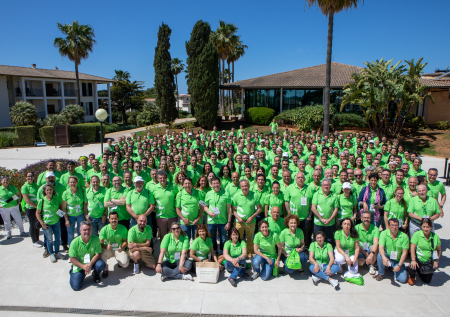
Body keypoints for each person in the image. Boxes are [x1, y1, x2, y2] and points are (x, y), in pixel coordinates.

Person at [68, 221, 105, 291]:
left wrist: (89, 265)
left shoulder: (96, 239)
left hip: (91, 263)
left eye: (89, 229)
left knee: (101, 264)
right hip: (80, 265)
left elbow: (98, 254)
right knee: (75, 287)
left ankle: (96, 274)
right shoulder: (74, 242)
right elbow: (72, 259)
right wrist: (83, 267)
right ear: (80, 231)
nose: (87, 231)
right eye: (84, 230)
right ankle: (72, 271)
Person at [232, 179, 262, 257]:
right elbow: (233, 210)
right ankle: (240, 253)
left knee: (250, 239)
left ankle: (249, 253)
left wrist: (252, 217)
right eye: (242, 186)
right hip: (239, 222)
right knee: (238, 239)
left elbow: (259, 209)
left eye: (246, 186)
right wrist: (238, 217)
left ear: (249, 186)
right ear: (240, 187)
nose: (244, 187)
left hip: (250, 222)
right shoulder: (236, 196)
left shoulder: (254, 195)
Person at [408, 218, 441, 285]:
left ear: (431, 227)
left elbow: (439, 250)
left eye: (427, 227)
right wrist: (413, 260)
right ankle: (412, 276)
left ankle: (420, 271)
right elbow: (412, 248)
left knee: (427, 280)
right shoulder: (417, 235)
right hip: (418, 259)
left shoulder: (435, 237)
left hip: (428, 261)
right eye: (424, 226)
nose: (425, 229)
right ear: (421, 226)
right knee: (412, 267)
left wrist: (436, 261)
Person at [36, 184, 64, 262]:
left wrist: (59, 216)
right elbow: (37, 213)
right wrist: (41, 223)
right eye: (47, 190)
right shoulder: (42, 201)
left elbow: (60, 208)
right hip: (46, 224)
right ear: (45, 191)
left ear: (53, 190)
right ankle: (51, 254)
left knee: (58, 239)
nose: (49, 191)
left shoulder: (56, 198)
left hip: (56, 222)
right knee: (49, 240)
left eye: (50, 189)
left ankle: (57, 252)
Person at [203, 177, 232, 254]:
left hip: (223, 221)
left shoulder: (226, 193)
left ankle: (223, 254)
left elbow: (229, 209)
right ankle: (214, 253)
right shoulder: (208, 194)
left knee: (223, 239)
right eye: (214, 183)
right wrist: (209, 213)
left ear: (220, 183)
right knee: (212, 239)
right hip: (211, 221)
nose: (216, 185)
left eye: (217, 183)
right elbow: (205, 206)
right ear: (211, 184)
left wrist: (229, 222)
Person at [376, 218, 409, 283]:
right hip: (387, 257)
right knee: (380, 255)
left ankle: (398, 268)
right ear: (388, 226)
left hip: (397, 260)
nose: (394, 227)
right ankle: (381, 273)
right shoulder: (383, 233)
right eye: (392, 225)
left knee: (403, 280)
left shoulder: (404, 236)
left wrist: (399, 265)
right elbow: (381, 248)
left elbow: (404, 253)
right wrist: (384, 257)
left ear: (399, 226)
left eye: (396, 225)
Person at [99, 211, 129, 278]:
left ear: (118, 219)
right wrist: (106, 246)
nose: (113, 220)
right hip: (108, 249)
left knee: (125, 263)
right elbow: (100, 242)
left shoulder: (123, 228)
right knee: (101, 255)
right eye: (112, 219)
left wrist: (122, 247)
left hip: (119, 249)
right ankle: (105, 269)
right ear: (109, 219)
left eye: (115, 218)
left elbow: (126, 242)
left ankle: (119, 262)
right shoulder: (104, 229)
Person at [152, 170, 179, 240]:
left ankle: (173, 250)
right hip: (160, 216)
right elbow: (152, 201)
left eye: (164, 178)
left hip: (173, 216)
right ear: (157, 179)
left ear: (167, 177)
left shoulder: (174, 186)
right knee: (163, 237)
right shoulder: (154, 188)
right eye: (160, 178)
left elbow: (178, 197)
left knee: (174, 236)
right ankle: (163, 251)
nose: (162, 179)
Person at [62, 176, 88, 248]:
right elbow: (64, 208)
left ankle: (80, 248)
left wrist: (85, 214)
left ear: (77, 183)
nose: (72, 183)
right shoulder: (65, 193)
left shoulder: (82, 190)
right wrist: (66, 219)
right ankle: (71, 250)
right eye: (71, 182)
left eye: (74, 182)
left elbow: (85, 204)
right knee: (70, 234)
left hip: (81, 215)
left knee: (81, 233)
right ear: (68, 183)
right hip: (70, 216)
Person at [311, 178, 338, 246]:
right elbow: (313, 208)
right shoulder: (316, 194)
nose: (326, 186)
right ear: (321, 186)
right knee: (317, 240)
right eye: (324, 185)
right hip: (318, 223)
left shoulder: (334, 195)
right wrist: (321, 219)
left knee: (329, 241)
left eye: (328, 185)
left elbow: (336, 209)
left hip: (330, 223)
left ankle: (328, 255)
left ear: (330, 186)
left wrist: (329, 220)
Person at [21, 172, 41, 246]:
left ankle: (38, 239)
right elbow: (27, 200)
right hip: (30, 209)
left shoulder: (35, 185)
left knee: (37, 224)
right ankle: (34, 241)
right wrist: (37, 207)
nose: (30, 177)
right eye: (28, 176)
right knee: (32, 224)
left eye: (31, 176)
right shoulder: (25, 187)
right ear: (26, 177)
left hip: (37, 208)